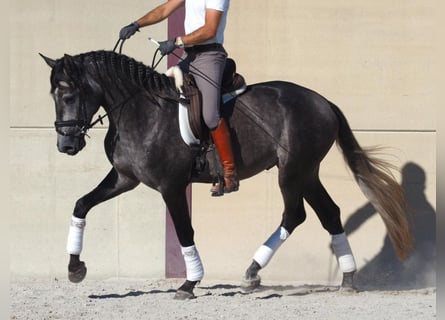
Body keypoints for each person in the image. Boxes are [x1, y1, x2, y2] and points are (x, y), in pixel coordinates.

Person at [119, 0, 239, 195]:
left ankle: (229, 172)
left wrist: (176, 42)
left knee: (210, 115)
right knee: (164, 99)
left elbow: (209, 30)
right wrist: (137, 24)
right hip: (188, 55)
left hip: (209, 56)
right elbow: (165, 9)